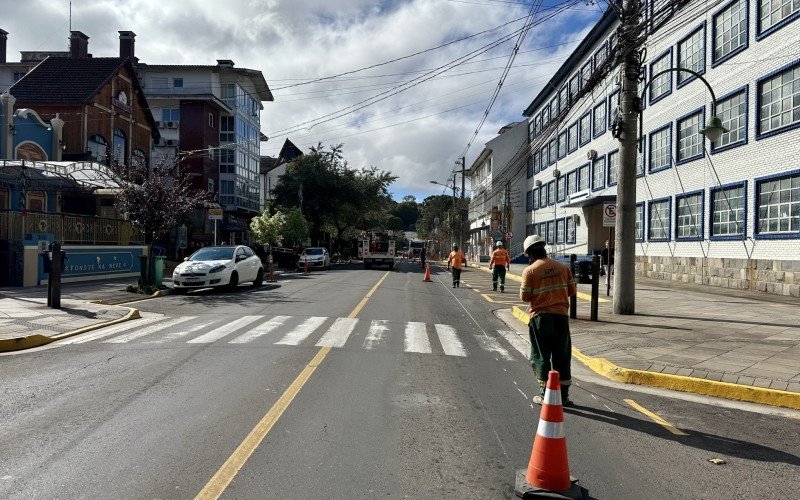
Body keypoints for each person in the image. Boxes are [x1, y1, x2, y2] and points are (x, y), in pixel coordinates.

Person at [519, 234, 577, 407]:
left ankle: (545, 396)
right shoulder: (562, 267)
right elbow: (572, 291)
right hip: (560, 317)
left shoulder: (530, 271)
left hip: (540, 319)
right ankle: (563, 396)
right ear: (543, 248)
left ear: (529, 253)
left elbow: (525, 297)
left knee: (541, 356)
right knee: (562, 355)